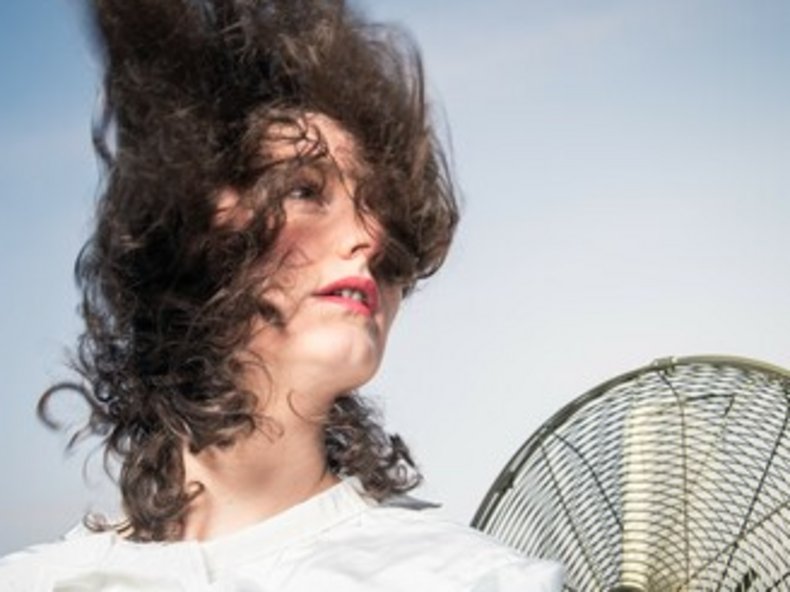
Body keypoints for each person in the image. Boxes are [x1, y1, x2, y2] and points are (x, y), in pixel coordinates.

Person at [0, 0, 563, 590]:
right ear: (190, 222)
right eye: (304, 190)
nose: (372, 239)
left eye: (387, 213)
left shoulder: (476, 580)